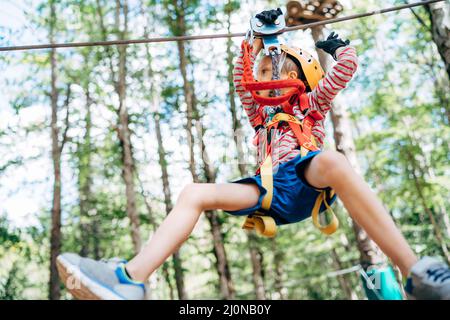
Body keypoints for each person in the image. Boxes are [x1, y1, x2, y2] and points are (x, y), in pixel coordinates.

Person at [56, 11, 450, 300]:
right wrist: (253, 40)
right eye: (262, 71)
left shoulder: (311, 104)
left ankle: (414, 271)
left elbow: (342, 72)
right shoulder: (259, 115)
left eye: (276, 69)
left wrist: (337, 46)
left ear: (301, 76)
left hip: (306, 180)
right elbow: (240, 77)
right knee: (195, 192)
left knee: (332, 161)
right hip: (267, 191)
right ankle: (130, 279)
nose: (266, 76)